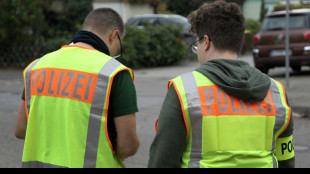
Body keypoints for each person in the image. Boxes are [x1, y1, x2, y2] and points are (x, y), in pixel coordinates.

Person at [148, 0, 295, 168]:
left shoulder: (185, 90)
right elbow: (286, 159)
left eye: (197, 45)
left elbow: (162, 161)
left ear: (206, 41)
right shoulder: (276, 92)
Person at [15, 8, 140, 168]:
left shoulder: (37, 67)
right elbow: (128, 145)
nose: (116, 50)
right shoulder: (114, 73)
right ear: (114, 35)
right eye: (119, 44)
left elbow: (20, 130)